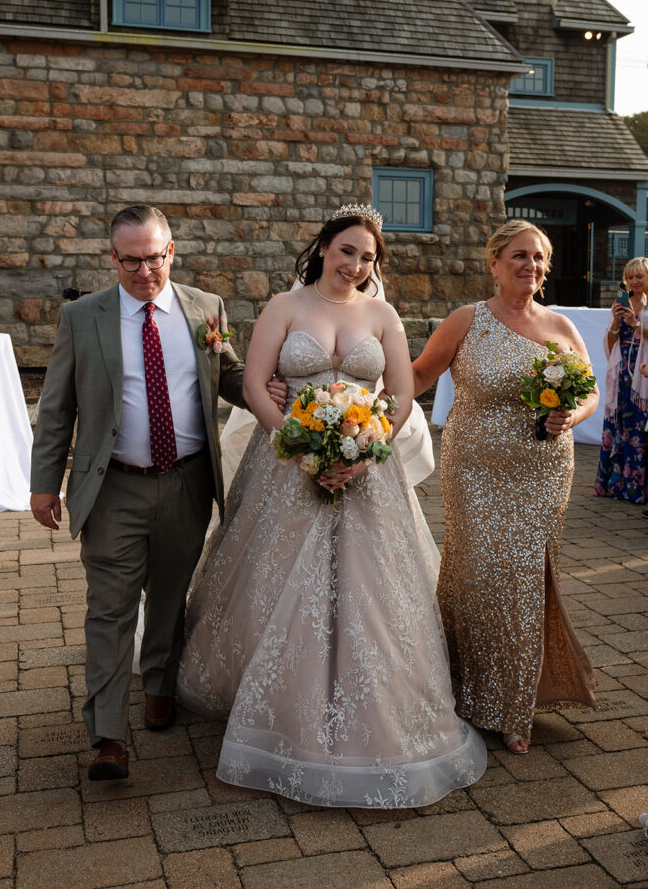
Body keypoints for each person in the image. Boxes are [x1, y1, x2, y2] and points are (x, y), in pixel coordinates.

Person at [176, 204, 487, 809]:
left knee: (375, 592)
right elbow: (255, 383)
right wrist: (299, 450)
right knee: (274, 581)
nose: (356, 265)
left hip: (366, 468)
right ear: (323, 248)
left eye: (368, 257)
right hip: (288, 466)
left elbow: (399, 395)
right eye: (347, 251)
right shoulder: (285, 308)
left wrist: (366, 450)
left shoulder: (383, 313)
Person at [30, 205, 250, 781]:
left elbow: (227, 374)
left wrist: (286, 395)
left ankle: (158, 683)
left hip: (186, 480)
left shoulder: (206, 309)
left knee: (172, 593)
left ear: (171, 251)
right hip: (112, 489)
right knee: (110, 608)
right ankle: (107, 736)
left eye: (155, 258)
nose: (145, 271)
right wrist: (42, 485)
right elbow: (56, 410)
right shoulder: (83, 318)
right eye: (132, 260)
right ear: (113, 259)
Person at [412, 219, 599, 755]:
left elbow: (588, 393)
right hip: (474, 471)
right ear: (494, 263)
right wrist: (369, 394)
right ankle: (458, 685)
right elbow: (422, 374)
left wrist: (571, 412)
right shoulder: (467, 321)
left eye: (539, 258)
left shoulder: (562, 326)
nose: (531, 266)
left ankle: (512, 705)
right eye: (519, 256)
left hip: (543, 474)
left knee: (522, 578)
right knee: (475, 574)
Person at [594, 257, 648, 505]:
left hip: (644, 372)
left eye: (640, 276)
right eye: (630, 277)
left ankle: (638, 487)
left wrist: (636, 324)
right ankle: (617, 485)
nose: (634, 281)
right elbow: (611, 344)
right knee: (621, 425)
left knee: (639, 427)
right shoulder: (621, 303)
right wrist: (617, 322)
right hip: (623, 372)